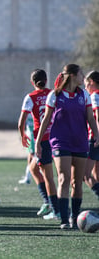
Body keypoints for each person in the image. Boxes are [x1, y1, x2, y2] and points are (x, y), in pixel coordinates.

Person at [36, 64, 99, 229]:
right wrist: (37, 142)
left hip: (80, 142)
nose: (83, 77)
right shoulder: (55, 95)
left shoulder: (84, 95)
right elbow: (46, 120)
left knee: (76, 183)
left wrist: (96, 135)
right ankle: (64, 220)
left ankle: (74, 217)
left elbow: (91, 119)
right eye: (81, 74)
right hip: (60, 141)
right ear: (72, 75)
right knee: (63, 179)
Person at [18, 69, 59, 219]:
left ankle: (57, 210)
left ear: (32, 82)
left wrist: (22, 135)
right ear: (46, 80)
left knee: (49, 177)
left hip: (43, 141)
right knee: (34, 169)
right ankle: (48, 202)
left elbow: (21, 122)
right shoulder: (53, 94)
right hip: (57, 138)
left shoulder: (30, 97)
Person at [83, 71, 99, 200]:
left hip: (94, 138)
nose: (85, 88)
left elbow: (97, 118)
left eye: (86, 84)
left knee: (85, 174)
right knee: (96, 174)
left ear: (92, 82)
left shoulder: (94, 96)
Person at [18, 115, 34, 184]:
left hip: (33, 136)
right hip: (30, 135)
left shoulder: (31, 106)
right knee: (31, 156)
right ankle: (28, 176)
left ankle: (28, 177)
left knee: (32, 156)